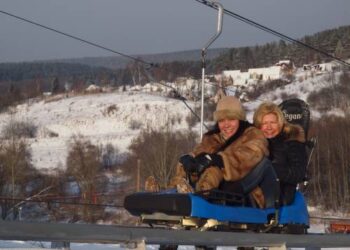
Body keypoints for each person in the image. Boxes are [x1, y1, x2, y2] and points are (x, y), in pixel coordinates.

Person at [168, 96, 269, 208]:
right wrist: (190, 161)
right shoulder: (212, 139)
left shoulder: (252, 136)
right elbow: (199, 153)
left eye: (231, 119)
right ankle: (174, 192)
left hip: (245, 192)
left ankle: (201, 197)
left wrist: (219, 160)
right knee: (184, 164)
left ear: (240, 119)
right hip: (219, 192)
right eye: (221, 120)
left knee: (214, 168)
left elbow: (250, 155)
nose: (226, 125)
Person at [253, 102, 307, 205]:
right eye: (264, 123)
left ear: (280, 123)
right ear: (258, 126)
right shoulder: (254, 143)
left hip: (280, 195)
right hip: (253, 192)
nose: (269, 127)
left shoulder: (292, 142)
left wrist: (272, 170)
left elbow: (299, 172)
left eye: (273, 122)